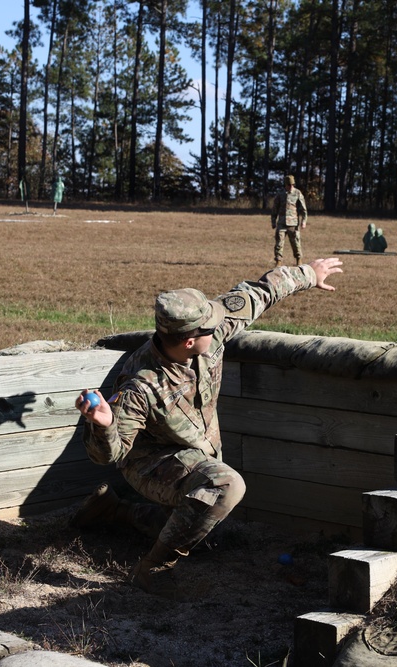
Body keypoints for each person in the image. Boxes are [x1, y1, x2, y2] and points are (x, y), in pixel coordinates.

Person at [73, 257, 345, 597]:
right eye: (209, 327)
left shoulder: (206, 332)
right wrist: (104, 425)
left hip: (195, 454)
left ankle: (114, 511)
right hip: (150, 463)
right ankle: (151, 570)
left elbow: (258, 293)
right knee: (224, 487)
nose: (219, 325)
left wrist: (309, 274)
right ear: (189, 341)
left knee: (196, 524)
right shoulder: (141, 385)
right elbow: (108, 455)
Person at [270, 174, 307, 266]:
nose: (291, 187)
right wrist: (273, 221)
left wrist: (304, 221)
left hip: (293, 224)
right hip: (281, 223)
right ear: (285, 185)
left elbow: (303, 209)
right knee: (279, 243)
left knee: (295, 243)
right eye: (289, 185)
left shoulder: (297, 193)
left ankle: (299, 260)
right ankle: (278, 261)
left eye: (292, 185)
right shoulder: (280, 194)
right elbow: (275, 209)